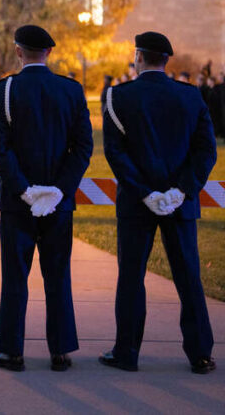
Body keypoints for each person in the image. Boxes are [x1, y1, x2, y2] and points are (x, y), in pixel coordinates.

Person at [101, 32, 217, 374]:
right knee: (188, 277)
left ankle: (127, 352)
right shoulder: (190, 96)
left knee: (132, 277)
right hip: (180, 203)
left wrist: (145, 192)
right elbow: (205, 152)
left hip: (137, 204)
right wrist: (181, 190)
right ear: (166, 60)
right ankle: (200, 354)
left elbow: (115, 153)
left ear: (138, 56)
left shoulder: (118, 96)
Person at [0, 25, 93, 372]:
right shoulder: (71, 90)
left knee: (15, 276)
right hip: (59, 204)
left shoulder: (5, 90)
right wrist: (59, 189)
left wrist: (24, 189)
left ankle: (11, 351)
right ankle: (60, 351)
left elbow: (0, 149)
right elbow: (83, 147)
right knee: (58, 275)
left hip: (19, 203)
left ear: (19, 51)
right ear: (48, 52)